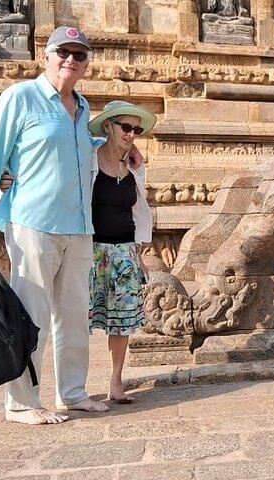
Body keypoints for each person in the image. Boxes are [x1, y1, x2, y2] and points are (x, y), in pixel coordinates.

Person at [0, 26, 111, 424]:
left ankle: (73, 393)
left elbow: (74, 152)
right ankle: (21, 402)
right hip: (34, 222)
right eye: (63, 52)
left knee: (74, 315)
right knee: (32, 316)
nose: (71, 60)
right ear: (46, 56)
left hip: (79, 226)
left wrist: (116, 150)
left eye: (79, 55)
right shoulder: (21, 97)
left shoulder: (82, 107)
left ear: (86, 64)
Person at [86, 101, 155, 403]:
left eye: (136, 129)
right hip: (92, 251)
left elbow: (138, 212)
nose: (131, 134)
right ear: (108, 126)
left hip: (125, 252)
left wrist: (138, 254)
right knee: (82, 317)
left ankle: (116, 381)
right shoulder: (88, 159)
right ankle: (73, 385)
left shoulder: (134, 168)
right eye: (125, 127)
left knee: (123, 321)